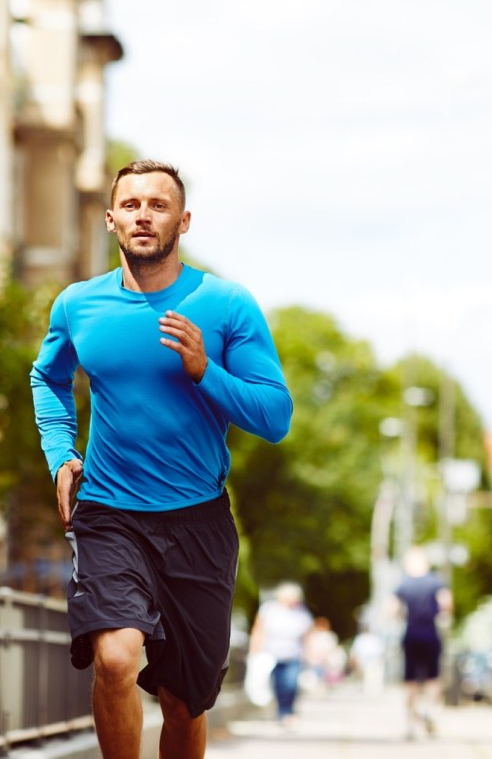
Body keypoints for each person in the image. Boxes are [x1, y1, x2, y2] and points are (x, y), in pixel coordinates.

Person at [30, 159, 293, 759]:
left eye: (158, 204)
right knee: (117, 656)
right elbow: (47, 378)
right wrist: (60, 455)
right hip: (110, 512)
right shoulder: (78, 305)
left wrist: (206, 371)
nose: (143, 215)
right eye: (131, 205)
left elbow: (275, 416)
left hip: (198, 520)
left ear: (183, 220)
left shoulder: (225, 304)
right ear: (110, 219)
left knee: (184, 700)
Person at [394, 546, 453, 740]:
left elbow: (392, 608)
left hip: (411, 633)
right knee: (433, 678)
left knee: (410, 681)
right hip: (431, 633)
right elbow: (446, 603)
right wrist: (442, 615)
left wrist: (403, 615)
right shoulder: (436, 582)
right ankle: (430, 710)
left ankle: (410, 723)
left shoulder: (404, 584)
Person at [248, 582, 313, 727]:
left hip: (294, 655)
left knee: (291, 684)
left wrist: (309, 654)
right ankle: (282, 712)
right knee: (278, 685)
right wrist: (254, 650)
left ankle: (288, 711)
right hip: (272, 655)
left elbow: (307, 636)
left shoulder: (301, 613)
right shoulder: (268, 610)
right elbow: (259, 631)